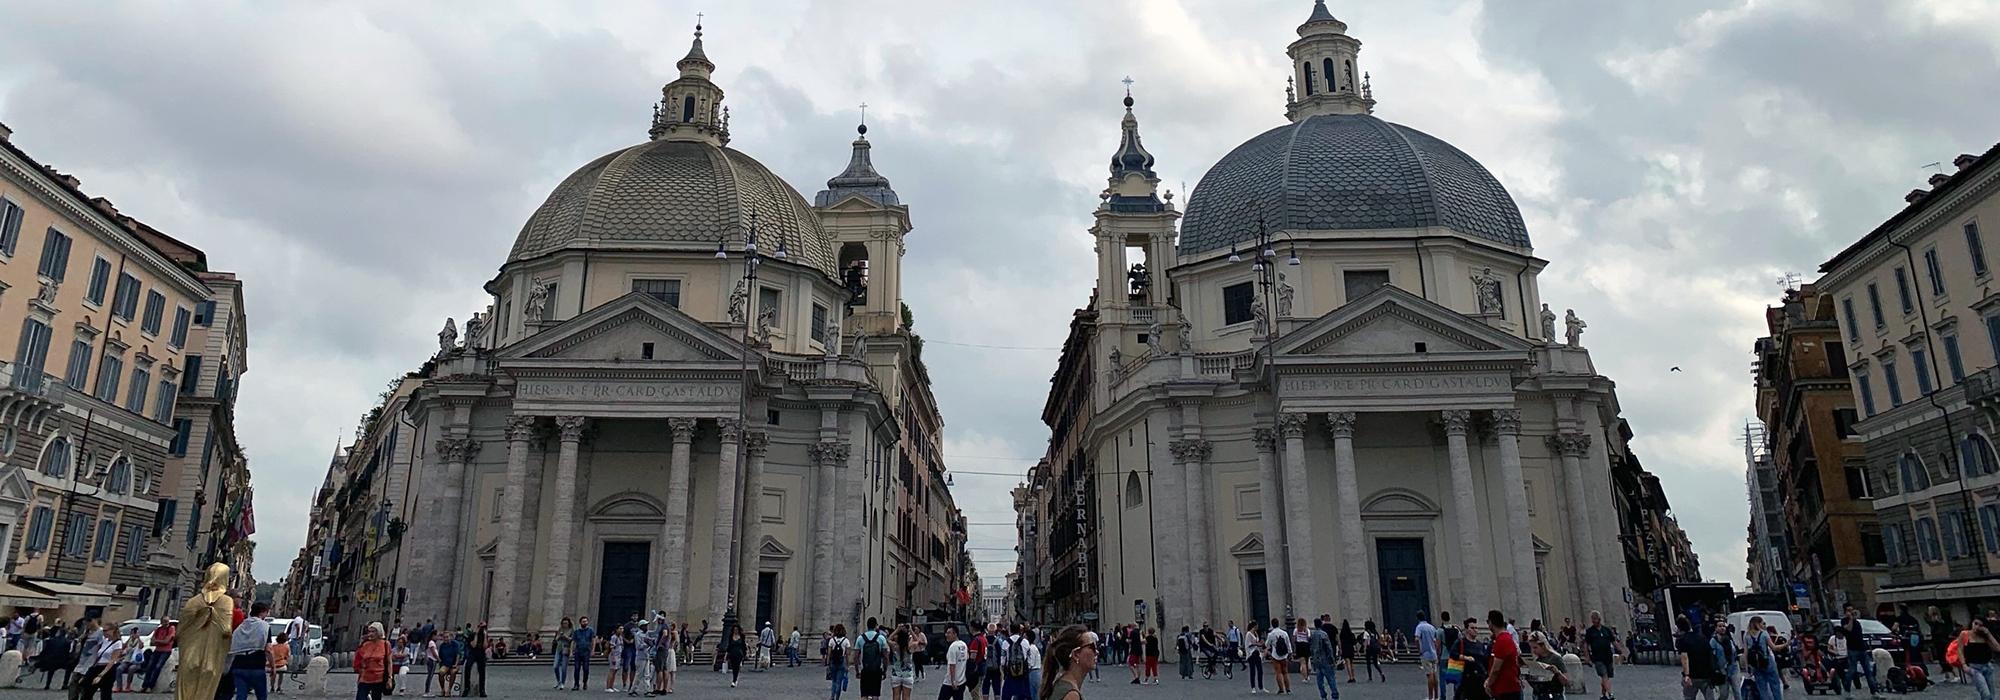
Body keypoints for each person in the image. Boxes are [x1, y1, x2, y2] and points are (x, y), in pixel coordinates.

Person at [1036, 625, 1096, 700]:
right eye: (1092, 647)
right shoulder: (1071, 695)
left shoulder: (1062, 683)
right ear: (1076, 654)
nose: (1096, 652)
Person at [1838, 606, 1877, 695]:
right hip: (1852, 650)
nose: (1851, 612)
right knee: (1852, 670)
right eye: (1849, 610)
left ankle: (1874, 691)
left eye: (1852, 610)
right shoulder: (1844, 621)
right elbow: (1848, 629)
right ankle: (1847, 690)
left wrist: (1854, 618)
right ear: (1845, 612)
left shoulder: (1857, 622)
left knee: (1868, 671)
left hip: (1862, 649)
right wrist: (1851, 619)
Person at [1675, 615, 1715, 700]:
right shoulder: (1702, 637)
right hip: (1706, 675)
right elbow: (1710, 654)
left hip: (1692, 676)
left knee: (1689, 697)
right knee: (1710, 697)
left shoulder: (1683, 640)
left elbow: (1684, 658)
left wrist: (1686, 675)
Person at [1485, 611, 1522, 700]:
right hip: (1507, 688)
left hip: (1506, 689)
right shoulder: (1505, 638)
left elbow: (1496, 669)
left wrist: (1488, 683)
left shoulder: (1502, 640)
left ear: (1490, 623)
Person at [1743, 616, 1782, 700]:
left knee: (1762, 688)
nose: (1763, 625)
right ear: (1758, 624)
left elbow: (1745, 653)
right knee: (1775, 685)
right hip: (1767, 662)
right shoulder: (1764, 634)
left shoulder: (1747, 635)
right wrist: (1786, 644)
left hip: (1756, 665)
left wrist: (1747, 666)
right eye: (1762, 623)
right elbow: (1774, 647)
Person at [1524, 632, 1569, 700]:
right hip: (1539, 695)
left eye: (1535, 647)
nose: (1533, 651)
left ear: (1543, 645)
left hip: (1554, 694)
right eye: (1531, 648)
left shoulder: (1556, 658)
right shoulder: (1537, 660)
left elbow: (1566, 682)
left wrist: (1557, 672)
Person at [1966, 620, 1996, 700]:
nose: (1977, 626)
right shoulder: (1965, 634)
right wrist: (1964, 665)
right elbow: (1959, 650)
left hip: (1987, 666)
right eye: (1975, 623)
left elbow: (1997, 648)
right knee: (1985, 693)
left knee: (1992, 694)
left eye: (1980, 625)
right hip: (1975, 668)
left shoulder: (1984, 636)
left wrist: (1988, 634)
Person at [1310, 619, 1339, 700]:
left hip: (1316, 660)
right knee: (1331, 678)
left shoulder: (1312, 635)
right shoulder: (1323, 634)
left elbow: (1311, 648)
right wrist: (1332, 659)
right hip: (1325, 659)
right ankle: (1334, 695)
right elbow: (1329, 647)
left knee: (1319, 680)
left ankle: (1323, 695)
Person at [1417, 611, 1442, 700]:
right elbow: (1436, 640)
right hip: (1434, 653)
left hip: (1426, 654)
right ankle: (1436, 696)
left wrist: (1419, 649)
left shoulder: (1419, 627)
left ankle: (1430, 697)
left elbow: (1416, 638)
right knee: (1435, 674)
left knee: (1429, 675)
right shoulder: (1432, 627)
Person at [887, 626, 916, 700]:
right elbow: (917, 640)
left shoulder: (895, 646)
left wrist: (897, 629)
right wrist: (911, 630)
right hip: (907, 675)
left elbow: (888, 639)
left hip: (896, 674)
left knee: (896, 697)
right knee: (906, 697)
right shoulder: (910, 647)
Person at [1266, 618, 1293, 694]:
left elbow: (1267, 645)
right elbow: (1288, 644)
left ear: (1272, 624)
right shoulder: (1284, 633)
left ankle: (1281, 689)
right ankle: (1288, 689)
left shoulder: (1271, 634)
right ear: (1278, 624)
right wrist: (1290, 653)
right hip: (1284, 655)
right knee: (1285, 672)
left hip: (1275, 655)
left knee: (1278, 672)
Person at [942, 626, 970, 700]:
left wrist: (953, 681)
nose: (946, 635)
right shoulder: (963, 644)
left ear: (955, 634)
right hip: (962, 680)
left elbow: (952, 665)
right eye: (946, 633)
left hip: (950, 682)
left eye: (949, 633)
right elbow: (967, 658)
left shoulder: (953, 647)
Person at [826, 624, 852, 699]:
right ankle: (837, 697)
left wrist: (828, 663)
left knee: (833, 681)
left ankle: (832, 697)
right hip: (842, 662)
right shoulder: (846, 640)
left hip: (833, 662)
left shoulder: (832, 640)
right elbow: (847, 654)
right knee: (839, 681)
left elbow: (829, 653)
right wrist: (848, 664)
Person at [435, 631, 461, 698]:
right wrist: (440, 665)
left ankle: (449, 690)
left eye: (447, 637)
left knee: (453, 672)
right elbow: (440, 656)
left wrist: (456, 664)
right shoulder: (442, 646)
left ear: (450, 637)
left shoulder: (455, 644)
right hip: (445, 664)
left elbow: (458, 655)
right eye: (444, 637)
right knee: (441, 672)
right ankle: (443, 689)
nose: (445, 639)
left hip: (454, 664)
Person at [573, 617, 596, 692]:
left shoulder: (590, 631)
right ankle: (576, 684)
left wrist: (593, 650)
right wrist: (572, 650)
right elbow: (574, 641)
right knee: (576, 668)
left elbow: (593, 640)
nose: (585, 623)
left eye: (586, 621)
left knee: (586, 668)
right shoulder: (576, 631)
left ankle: (585, 682)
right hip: (578, 651)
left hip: (586, 651)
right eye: (583, 621)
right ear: (580, 623)